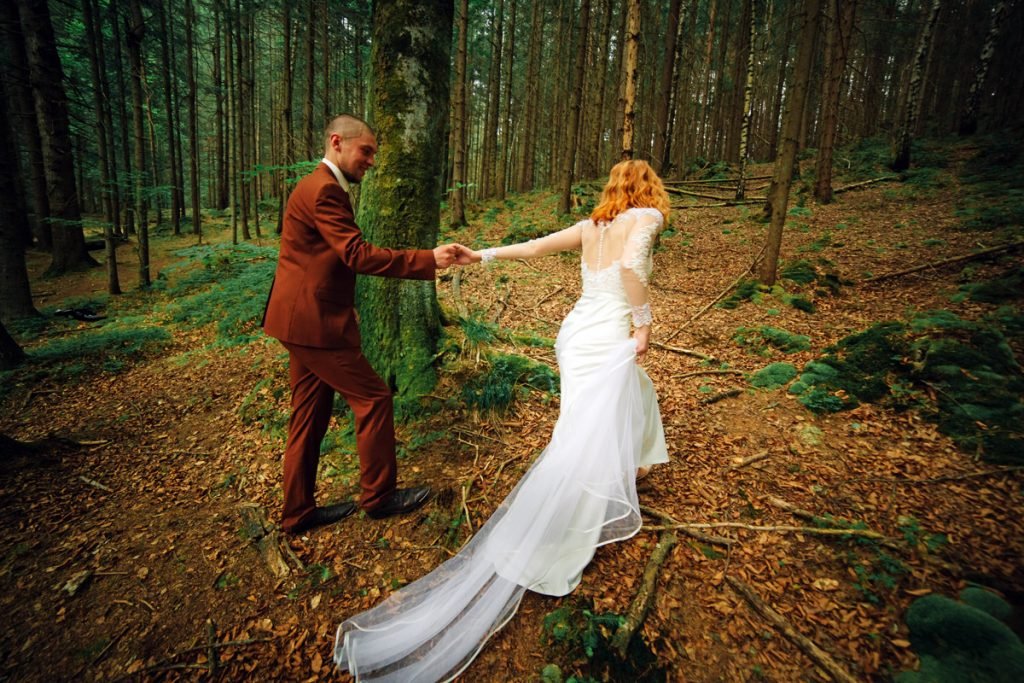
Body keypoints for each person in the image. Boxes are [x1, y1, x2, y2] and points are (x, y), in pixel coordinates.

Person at [334, 159, 671, 681]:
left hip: (577, 335)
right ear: (647, 189)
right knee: (583, 431)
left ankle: (635, 465)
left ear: (612, 188)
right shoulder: (647, 217)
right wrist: (645, 325)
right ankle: (565, 518)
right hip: (606, 335)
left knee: (629, 396)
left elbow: (535, 247)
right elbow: (630, 270)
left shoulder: (591, 226)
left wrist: (480, 255)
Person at [262, 114, 462, 534]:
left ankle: (297, 513)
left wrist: (342, 302)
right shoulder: (324, 191)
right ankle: (379, 496)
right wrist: (427, 258)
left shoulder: (318, 186)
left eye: (373, 152)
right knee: (373, 398)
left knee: (308, 416)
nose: (371, 160)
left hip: (299, 320)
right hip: (314, 326)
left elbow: (318, 261)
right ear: (337, 142)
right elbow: (356, 254)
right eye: (365, 151)